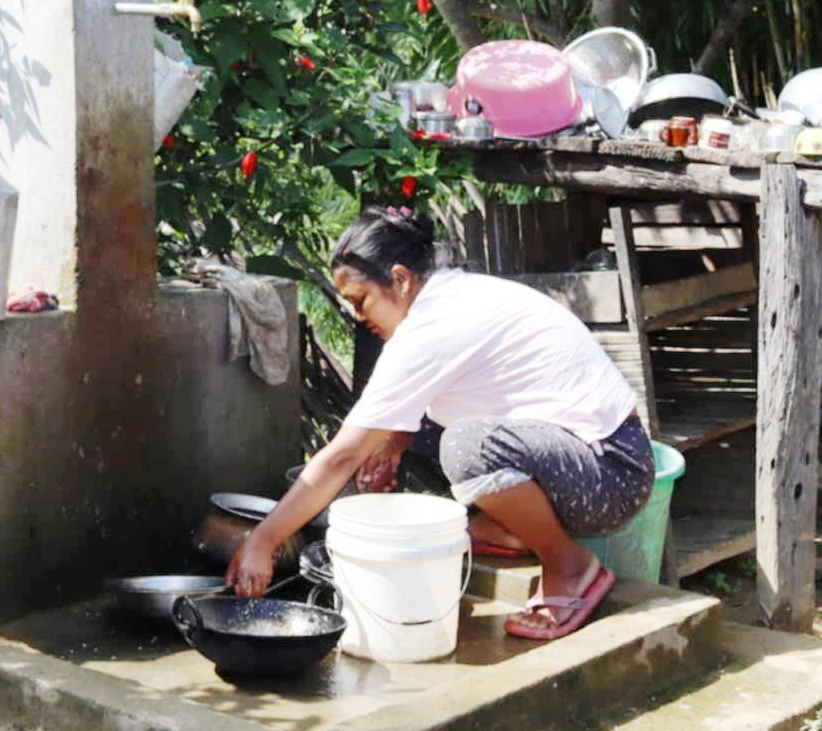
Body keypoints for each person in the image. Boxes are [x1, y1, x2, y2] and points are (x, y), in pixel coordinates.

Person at [227, 206, 654, 640]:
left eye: (361, 301)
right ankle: (515, 529)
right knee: (402, 431)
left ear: (399, 279)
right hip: (576, 458)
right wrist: (394, 443)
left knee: (467, 446)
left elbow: (342, 458)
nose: (358, 316)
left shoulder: (432, 327)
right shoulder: (447, 297)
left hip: (611, 475)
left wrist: (264, 540)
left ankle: (571, 567)